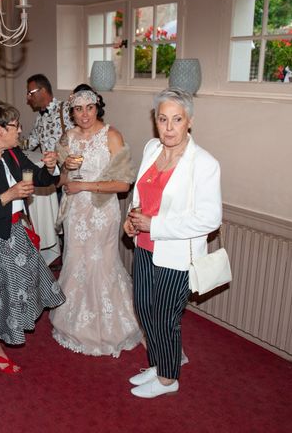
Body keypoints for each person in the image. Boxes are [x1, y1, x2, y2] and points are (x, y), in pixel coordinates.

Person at [123, 87, 222, 398]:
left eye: (176, 120)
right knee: (144, 307)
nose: (168, 127)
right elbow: (141, 195)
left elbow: (210, 219)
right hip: (144, 247)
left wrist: (156, 225)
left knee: (165, 317)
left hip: (176, 255)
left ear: (189, 121)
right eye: (162, 119)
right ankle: (159, 363)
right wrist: (131, 218)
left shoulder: (203, 163)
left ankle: (168, 378)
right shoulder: (152, 148)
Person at [0, 102, 66, 374]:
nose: (20, 130)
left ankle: (7, 330)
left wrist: (51, 167)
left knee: (21, 284)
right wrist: (11, 194)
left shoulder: (12, 153)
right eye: (15, 125)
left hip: (15, 232)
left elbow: (40, 178)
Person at [49, 87, 142, 356]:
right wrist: (66, 169)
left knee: (102, 263)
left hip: (102, 212)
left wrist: (86, 186)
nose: (84, 114)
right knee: (76, 262)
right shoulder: (67, 138)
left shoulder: (112, 136)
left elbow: (124, 184)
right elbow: (62, 183)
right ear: (72, 112)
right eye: (78, 109)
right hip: (76, 212)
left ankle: (111, 326)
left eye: (89, 107)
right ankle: (74, 323)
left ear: (97, 107)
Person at [25, 73, 73, 153]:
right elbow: (29, 144)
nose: (28, 97)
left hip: (66, 164)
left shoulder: (66, 109)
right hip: (46, 165)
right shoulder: (39, 119)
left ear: (43, 90)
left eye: (31, 93)